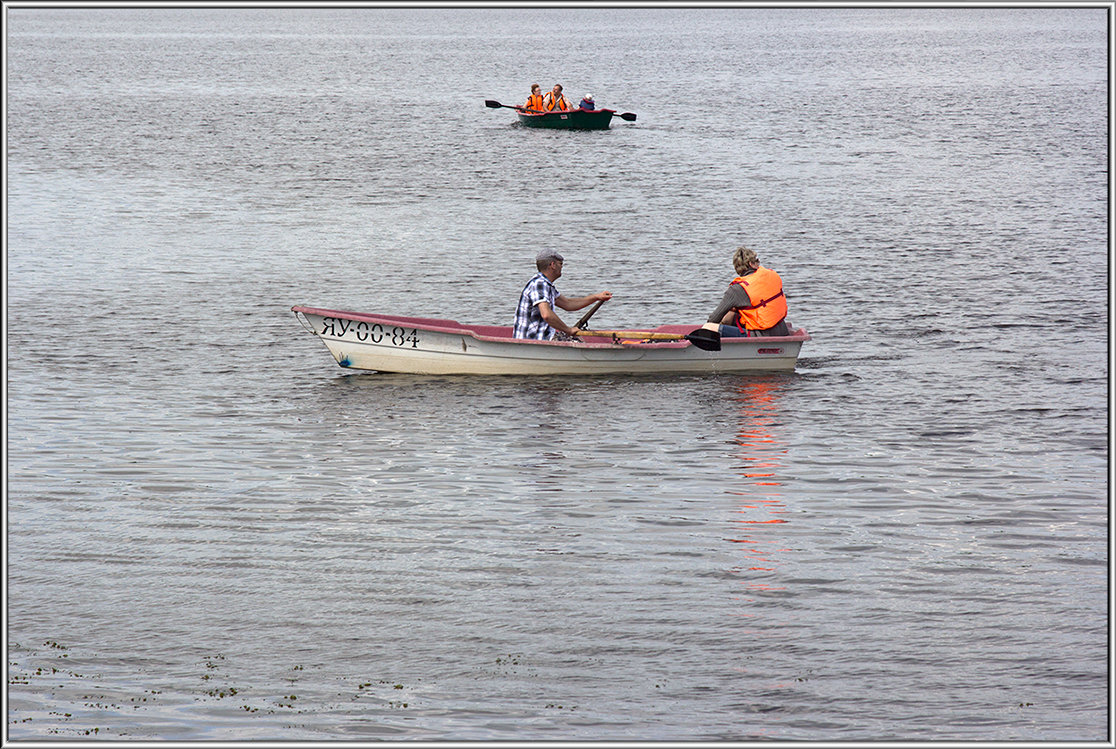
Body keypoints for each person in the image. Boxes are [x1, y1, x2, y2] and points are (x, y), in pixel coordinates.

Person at [514, 251, 612, 340]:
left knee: (577, 339)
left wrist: (597, 297)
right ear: (553, 265)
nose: (562, 267)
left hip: (543, 337)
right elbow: (546, 315)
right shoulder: (539, 284)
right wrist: (568, 330)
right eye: (560, 264)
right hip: (532, 340)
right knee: (576, 342)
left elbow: (568, 304)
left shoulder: (547, 286)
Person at [698, 246, 790, 338]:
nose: (759, 264)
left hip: (761, 335)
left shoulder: (737, 289)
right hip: (782, 330)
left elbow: (713, 319)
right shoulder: (772, 275)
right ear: (751, 264)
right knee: (732, 313)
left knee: (709, 327)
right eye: (757, 261)